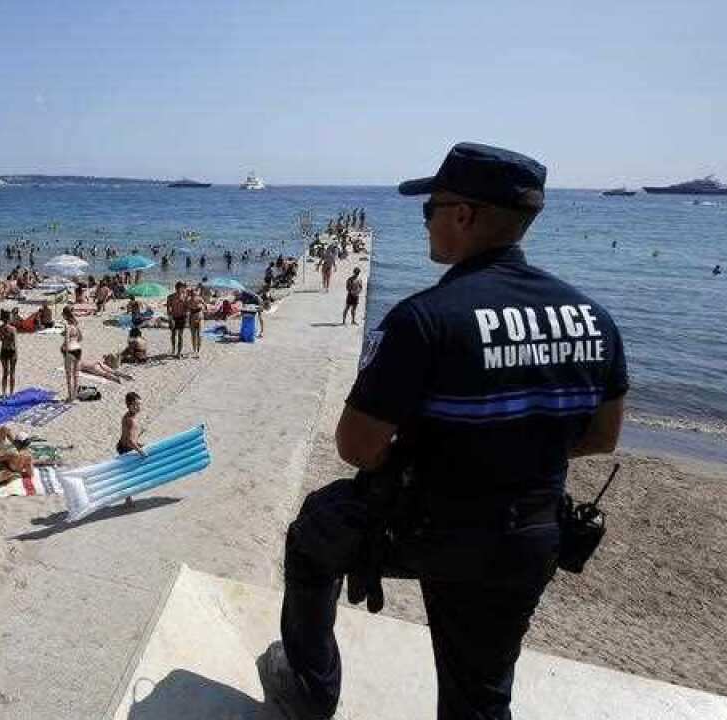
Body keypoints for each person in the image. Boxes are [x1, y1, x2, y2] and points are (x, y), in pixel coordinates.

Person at [265, 142, 630, 720]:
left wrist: (432, 460)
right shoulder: (594, 318)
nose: (426, 221)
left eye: (430, 208)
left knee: (312, 538)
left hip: (431, 524)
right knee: (480, 695)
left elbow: (357, 447)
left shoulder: (426, 319)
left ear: (464, 214)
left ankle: (310, 688)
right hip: (530, 533)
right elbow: (601, 436)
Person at [60, 305, 82, 403]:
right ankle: (75, 395)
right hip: (78, 349)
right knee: (76, 374)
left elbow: (67, 340)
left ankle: (70, 397)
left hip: (70, 351)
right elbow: (81, 338)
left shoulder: (67, 325)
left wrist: (64, 349)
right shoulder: (75, 325)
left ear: (65, 315)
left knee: (68, 375)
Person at [0, 309, 18, 396]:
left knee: (5, 373)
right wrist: (16, 354)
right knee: (12, 373)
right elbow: (15, 343)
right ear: (9, 319)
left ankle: (4, 393)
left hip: (3, 351)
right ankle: (11, 393)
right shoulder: (13, 329)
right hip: (12, 351)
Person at [167, 282, 187, 358]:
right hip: (173, 317)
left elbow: (187, 308)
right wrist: (170, 318)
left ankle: (179, 352)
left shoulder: (185, 297)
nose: (180, 290)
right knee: (173, 334)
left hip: (182, 317)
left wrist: (187, 315)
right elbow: (168, 308)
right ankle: (173, 348)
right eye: (178, 288)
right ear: (176, 288)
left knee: (180, 335)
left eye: (181, 288)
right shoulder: (170, 297)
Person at [186, 286, 204, 357]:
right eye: (192, 291)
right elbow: (186, 309)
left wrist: (202, 307)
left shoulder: (199, 298)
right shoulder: (188, 300)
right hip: (192, 318)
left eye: (194, 291)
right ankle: (195, 351)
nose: (194, 292)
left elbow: (205, 306)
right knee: (194, 335)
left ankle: (198, 350)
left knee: (199, 335)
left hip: (199, 317)